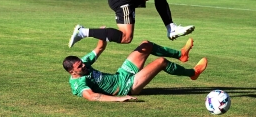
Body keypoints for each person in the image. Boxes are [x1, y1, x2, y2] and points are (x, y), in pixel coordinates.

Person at [63, 36, 208, 101]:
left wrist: (102, 33)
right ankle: (193, 73)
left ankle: (181, 54)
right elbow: (92, 96)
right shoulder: (78, 83)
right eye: (80, 66)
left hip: (121, 75)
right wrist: (119, 99)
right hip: (127, 86)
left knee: (146, 45)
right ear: (72, 72)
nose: (83, 65)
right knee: (161, 62)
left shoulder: (84, 63)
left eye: (82, 63)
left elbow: (100, 47)